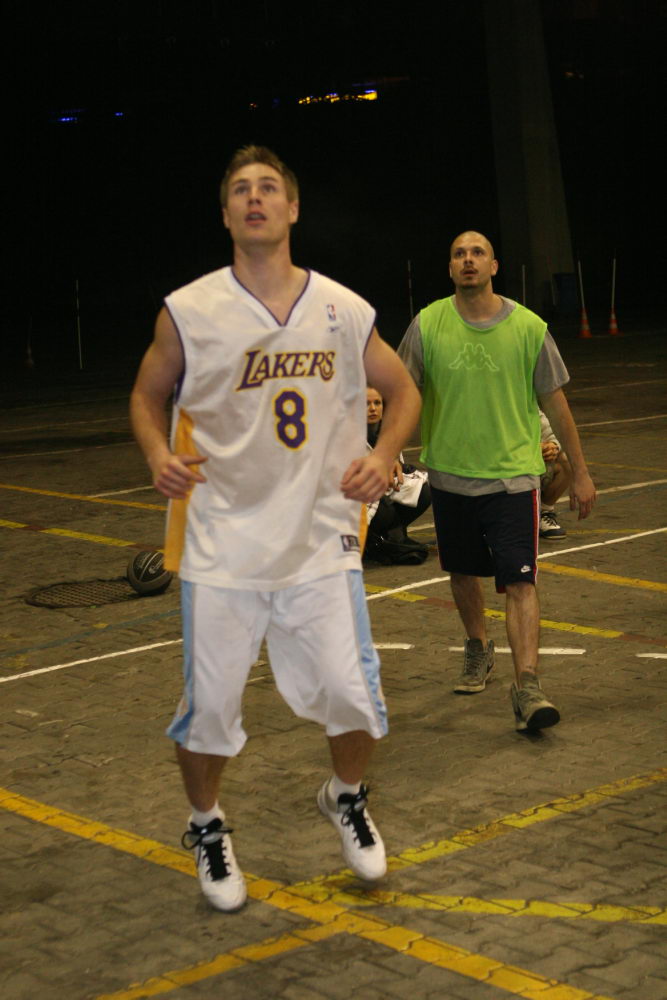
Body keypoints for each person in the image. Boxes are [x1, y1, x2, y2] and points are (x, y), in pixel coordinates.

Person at [130, 145, 421, 911]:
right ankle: (205, 824)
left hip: (319, 539)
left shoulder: (341, 308)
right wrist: (157, 452)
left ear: (292, 208)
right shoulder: (189, 310)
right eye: (239, 190)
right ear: (225, 213)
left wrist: (383, 456)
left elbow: (402, 391)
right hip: (221, 542)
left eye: (267, 188)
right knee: (210, 711)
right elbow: (146, 394)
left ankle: (346, 795)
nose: (254, 198)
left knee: (354, 696)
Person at [398, 231, 596, 732]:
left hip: (513, 479)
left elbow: (556, 403)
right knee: (462, 573)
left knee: (520, 581)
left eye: (477, 253)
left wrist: (581, 472)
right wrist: (385, 454)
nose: (468, 260)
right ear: (450, 268)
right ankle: (477, 646)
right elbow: (403, 392)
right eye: (459, 254)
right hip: (450, 476)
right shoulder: (427, 324)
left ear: (493, 266)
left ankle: (527, 685)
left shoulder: (529, 327)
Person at [364, 386, 431, 563]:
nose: (373, 409)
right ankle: (373, 540)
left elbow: (397, 468)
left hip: (383, 488)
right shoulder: (346, 435)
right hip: (356, 496)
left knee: (423, 489)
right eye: (366, 404)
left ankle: (388, 537)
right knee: (383, 508)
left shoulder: (389, 431)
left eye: (377, 403)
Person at [539, 410, 572, 539]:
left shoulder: (530, 407)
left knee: (566, 461)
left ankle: (544, 511)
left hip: (530, 467)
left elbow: (553, 433)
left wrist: (553, 446)